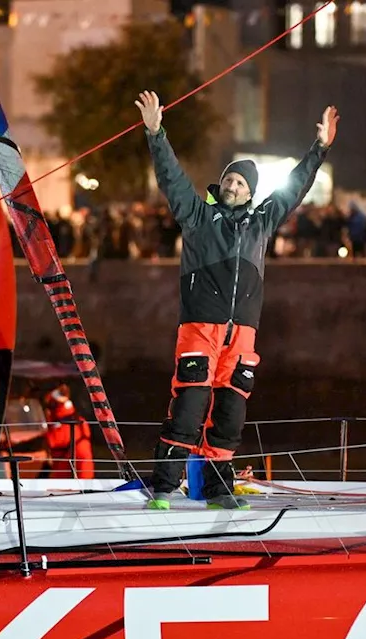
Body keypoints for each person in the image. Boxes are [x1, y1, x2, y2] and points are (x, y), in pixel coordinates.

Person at [135, 89, 338, 510]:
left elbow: (296, 187)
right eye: (228, 178)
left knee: (229, 415)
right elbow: (172, 177)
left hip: (241, 335)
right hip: (200, 328)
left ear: (251, 192)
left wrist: (319, 148)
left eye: (241, 182)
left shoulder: (262, 222)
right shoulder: (197, 216)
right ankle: (164, 489)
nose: (232, 185)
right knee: (189, 406)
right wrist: (156, 133)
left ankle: (217, 491)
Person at [42, 384, 94, 479]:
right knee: (86, 486)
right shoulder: (79, 420)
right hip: (80, 458)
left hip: (66, 459)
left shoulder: (59, 420)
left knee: (62, 489)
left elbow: (54, 442)